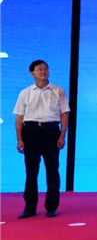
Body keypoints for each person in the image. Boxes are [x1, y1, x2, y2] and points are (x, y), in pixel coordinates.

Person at [13, 60, 69, 219]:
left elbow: (64, 114)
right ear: (32, 73)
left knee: (52, 170)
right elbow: (19, 117)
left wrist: (62, 135)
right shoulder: (25, 93)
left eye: (45, 69)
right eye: (39, 69)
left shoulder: (58, 91)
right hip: (30, 132)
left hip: (51, 131)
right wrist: (19, 139)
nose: (43, 71)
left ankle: (51, 207)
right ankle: (29, 208)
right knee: (31, 171)